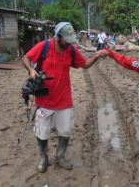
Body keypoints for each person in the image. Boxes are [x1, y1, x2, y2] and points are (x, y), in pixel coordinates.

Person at [22, 22, 103, 173]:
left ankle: (60, 156)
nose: (70, 42)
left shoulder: (70, 50)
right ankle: (44, 158)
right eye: (67, 39)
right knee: (42, 132)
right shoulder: (44, 46)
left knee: (65, 132)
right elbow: (25, 58)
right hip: (44, 100)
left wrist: (96, 56)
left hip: (64, 100)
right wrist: (32, 70)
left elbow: (84, 64)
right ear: (58, 37)